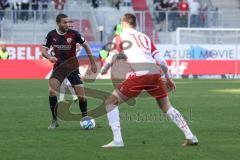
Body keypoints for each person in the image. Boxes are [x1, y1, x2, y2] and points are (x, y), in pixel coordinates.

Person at [100, 13, 198, 147]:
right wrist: (168, 78)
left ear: (123, 24)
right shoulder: (145, 37)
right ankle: (190, 136)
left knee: (110, 102)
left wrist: (104, 69)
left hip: (140, 74)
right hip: (154, 73)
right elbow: (162, 61)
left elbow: (112, 55)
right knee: (166, 106)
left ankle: (118, 140)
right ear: (135, 24)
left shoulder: (120, 36)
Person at [42, 13, 97, 130]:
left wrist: (92, 63)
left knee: (81, 96)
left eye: (68, 22)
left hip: (72, 68)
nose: (67, 24)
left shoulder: (74, 34)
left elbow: (86, 46)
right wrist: (49, 57)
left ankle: (85, 117)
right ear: (58, 23)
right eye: (64, 22)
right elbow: (44, 51)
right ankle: (54, 120)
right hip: (58, 68)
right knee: (51, 91)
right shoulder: (51, 35)